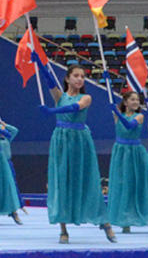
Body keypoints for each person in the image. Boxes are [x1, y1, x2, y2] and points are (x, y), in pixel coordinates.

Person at [39, 62, 115, 243]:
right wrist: (40, 65)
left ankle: (104, 222)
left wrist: (52, 111)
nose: (80, 79)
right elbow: (50, 81)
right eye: (76, 76)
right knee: (61, 182)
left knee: (87, 180)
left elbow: (74, 108)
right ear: (67, 78)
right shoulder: (60, 95)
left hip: (79, 141)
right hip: (61, 140)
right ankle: (63, 229)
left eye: (82, 76)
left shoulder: (86, 97)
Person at [106, 91, 148, 233]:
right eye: (132, 99)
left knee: (138, 185)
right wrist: (117, 113)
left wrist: (117, 113)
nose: (136, 102)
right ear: (125, 102)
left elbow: (129, 125)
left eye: (137, 100)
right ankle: (124, 220)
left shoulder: (140, 116)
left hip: (135, 153)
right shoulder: (116, 115)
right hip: (120, 153)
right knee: (122, 185)